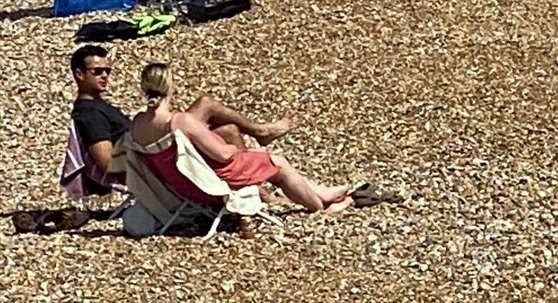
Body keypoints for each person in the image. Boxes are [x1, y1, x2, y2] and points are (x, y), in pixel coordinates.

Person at [128, 62, 351, 215]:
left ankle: (322, 191)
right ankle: (320, 207)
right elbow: (223, 155)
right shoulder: (180, 121)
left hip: (181, 187)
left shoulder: (138, 123)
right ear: (169, 86)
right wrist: (233, 148)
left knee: (236, 137)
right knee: (277, 163)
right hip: (211, 185)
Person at [71, 45, 293, 179]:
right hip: (151, 156)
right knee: (206, 104)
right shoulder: (89, 113)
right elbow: (107, 163)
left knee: (228, 131)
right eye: (97, 71)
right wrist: (142, 151)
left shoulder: (97, 105)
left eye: (107, 71)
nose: (104, 76)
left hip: (150, 147)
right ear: (79, 74)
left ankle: (257, 194)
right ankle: (261, 132)